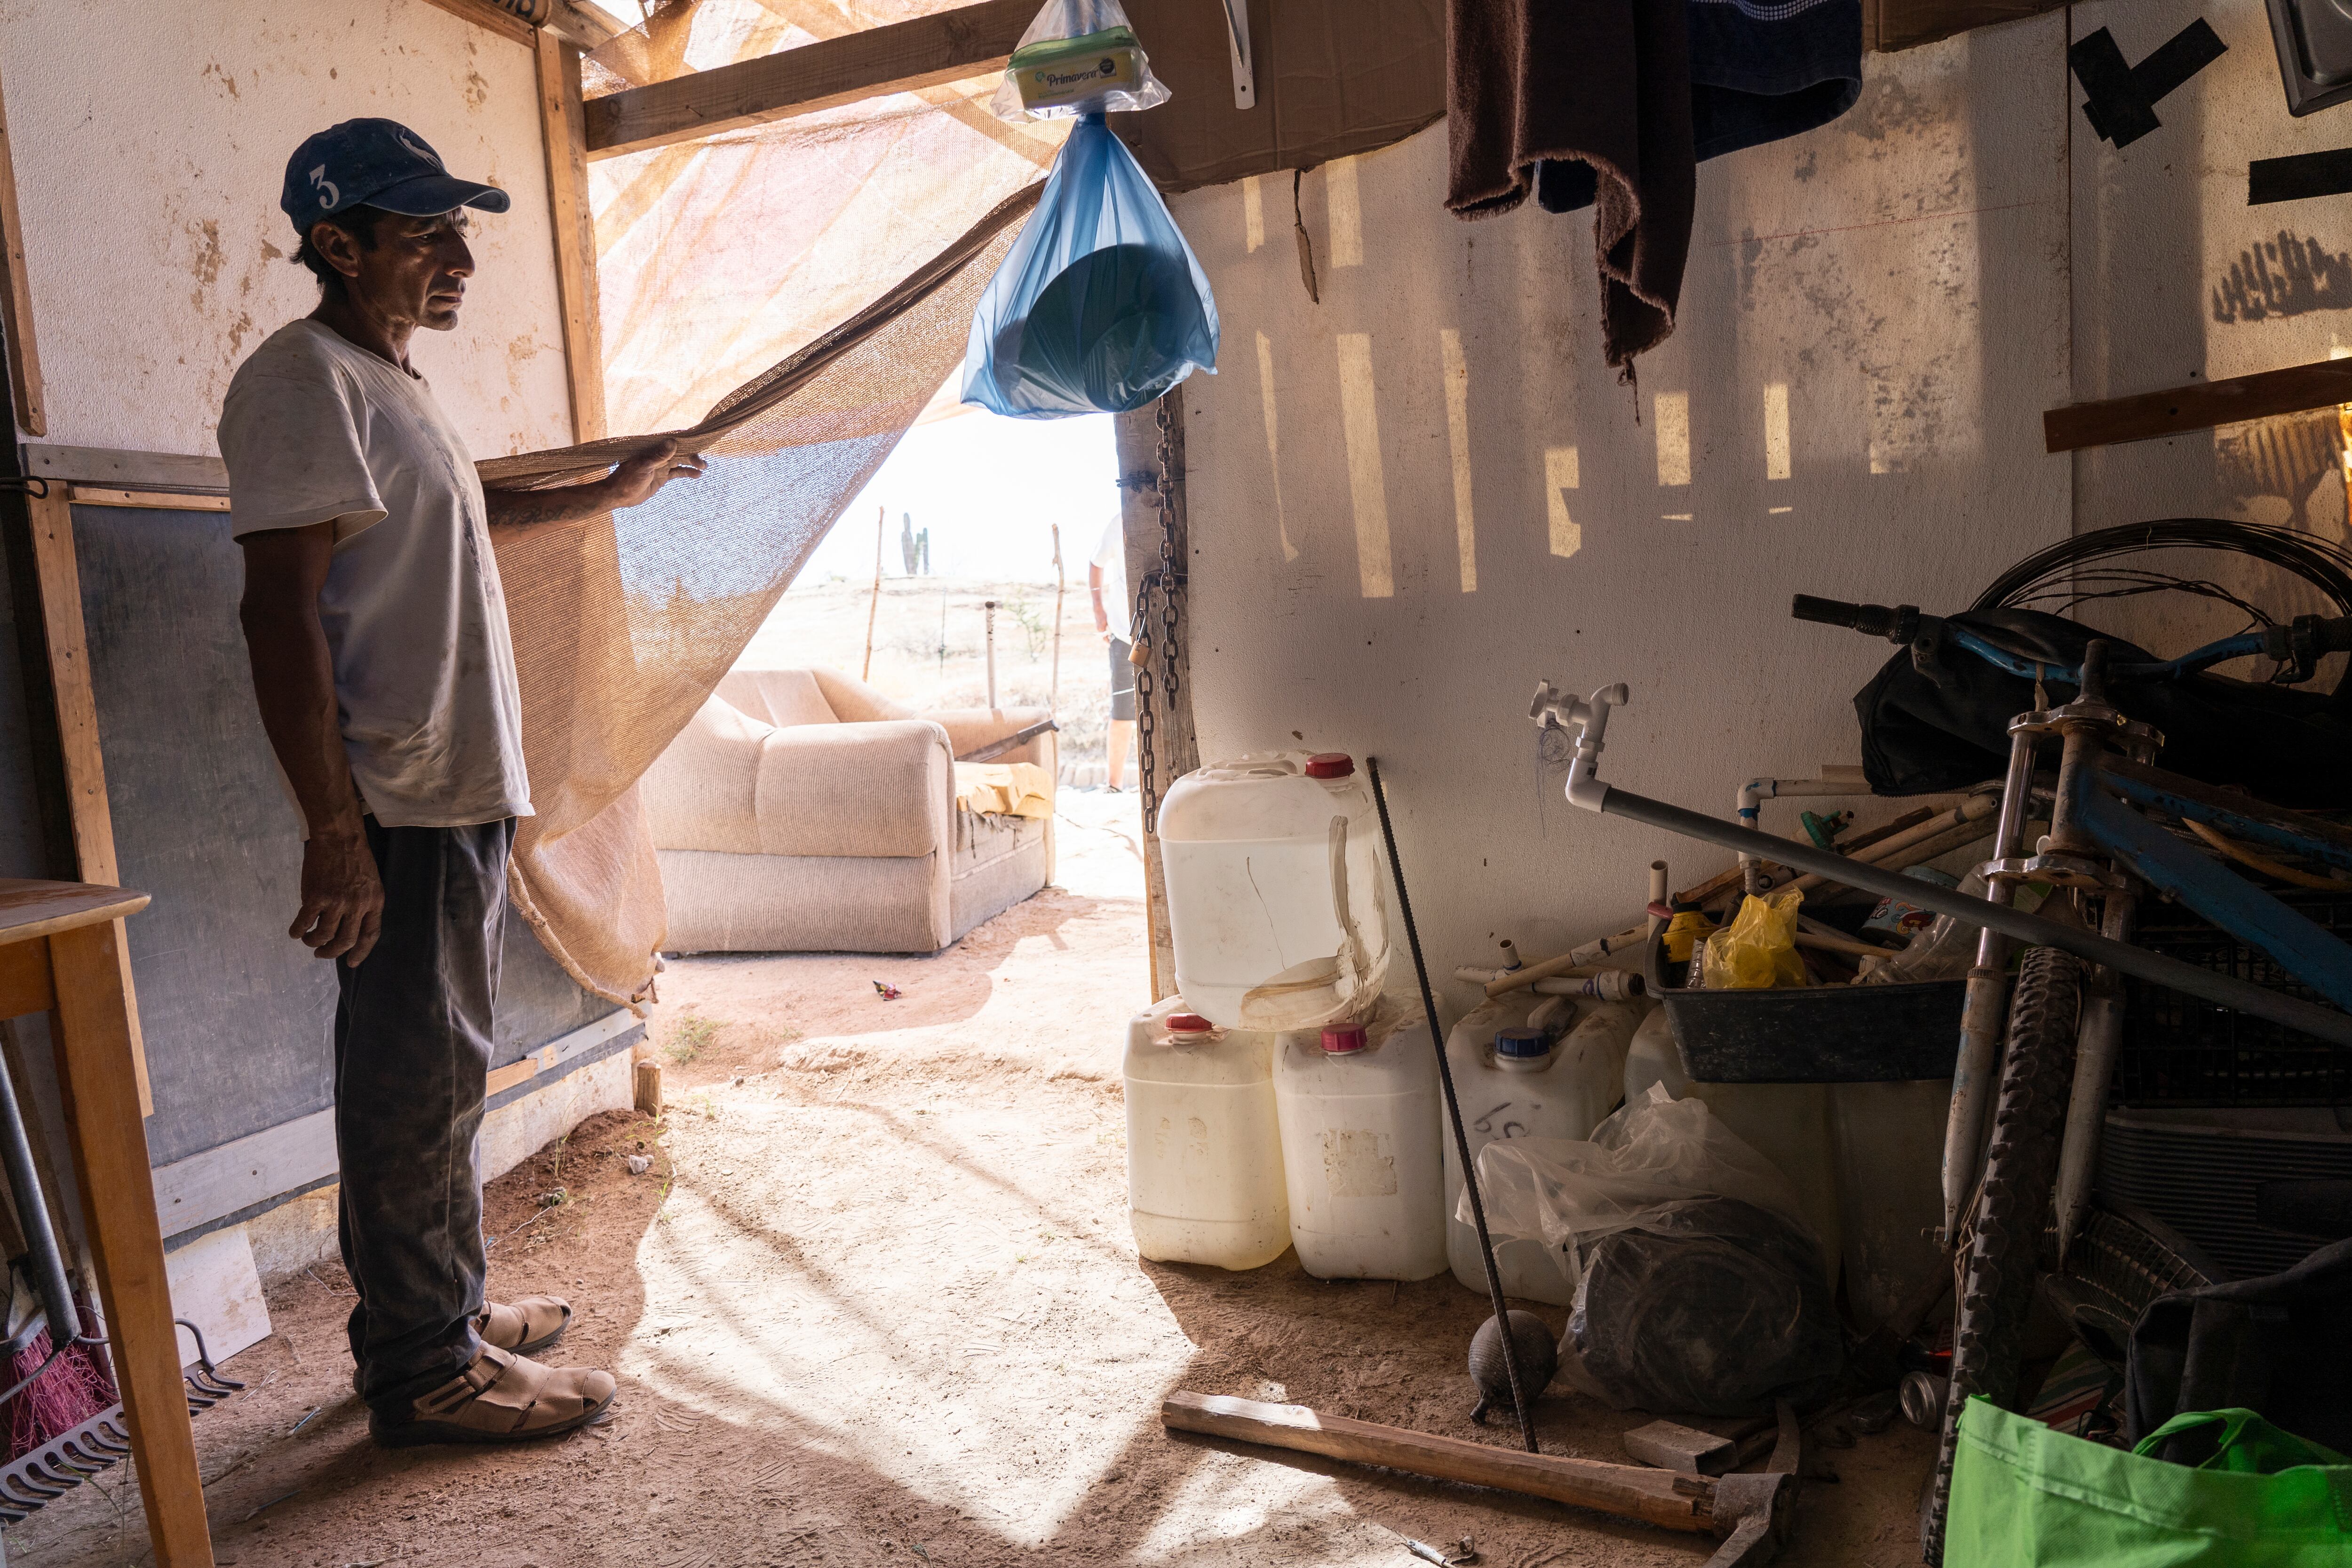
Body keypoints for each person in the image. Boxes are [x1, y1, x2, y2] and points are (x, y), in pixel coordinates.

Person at [219, 119, 703, 1448]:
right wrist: (335, 832)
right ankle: (427, 1374)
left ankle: (439, 1314)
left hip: (457, 791)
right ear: (337, 242)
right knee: (410, 1080)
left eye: (462, 229)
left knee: (439, 1075)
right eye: (424, 230)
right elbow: (278, 619)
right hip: (398, 800)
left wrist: (612, 491)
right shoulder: (301, 379)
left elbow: (462, 530)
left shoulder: (389, 384)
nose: (458, 256)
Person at [1089, 514, 1135, 790]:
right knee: (1122, 711)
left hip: (1165, 630)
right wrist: (1098, 609)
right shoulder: (1120, 520)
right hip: (1123, 633)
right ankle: (1114, 785)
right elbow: (1096, 563)